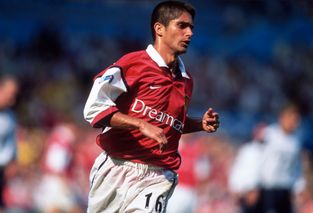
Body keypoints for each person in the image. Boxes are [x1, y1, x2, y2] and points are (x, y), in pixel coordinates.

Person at [83, 1, 220, 212]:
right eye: (182, 26)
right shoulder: (133, 64)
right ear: (159, 29)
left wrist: (199, 124)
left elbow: (171, 126)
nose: (189, 33)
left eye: (192, 27)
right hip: (115, 167)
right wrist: (139, 124)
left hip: (157, 176)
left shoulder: (186, 80)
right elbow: (94, 108)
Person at [259, 103, 303, 213]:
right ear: (282, 117)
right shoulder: (269, 134)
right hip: (269, 188)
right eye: (292, 118)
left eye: (296, 120)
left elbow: (296, 166)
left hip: (287, 189)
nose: (294, 123)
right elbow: (255, 158)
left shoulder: (296, 140)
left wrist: (299, 186)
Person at [228, 122, 266, 213]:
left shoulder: (271, 151)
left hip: (264, 194)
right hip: (247, 193)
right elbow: (239, 169)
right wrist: (236, 187)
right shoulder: (247, 150)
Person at [0, 74, 19, 210]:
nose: (12, 100)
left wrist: (13, 160)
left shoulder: (10, 117)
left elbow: (11, 144)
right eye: (9, 94)